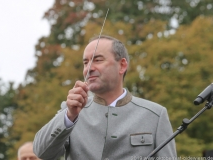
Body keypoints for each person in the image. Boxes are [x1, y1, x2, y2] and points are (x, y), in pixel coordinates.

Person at [33, 35, 177, 160]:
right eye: (85, 62)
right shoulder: (71, 112)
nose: (89, 69)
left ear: (122, 65)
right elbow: (42, 153)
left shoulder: (155, 115)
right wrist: (69, 116)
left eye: (97, 60)